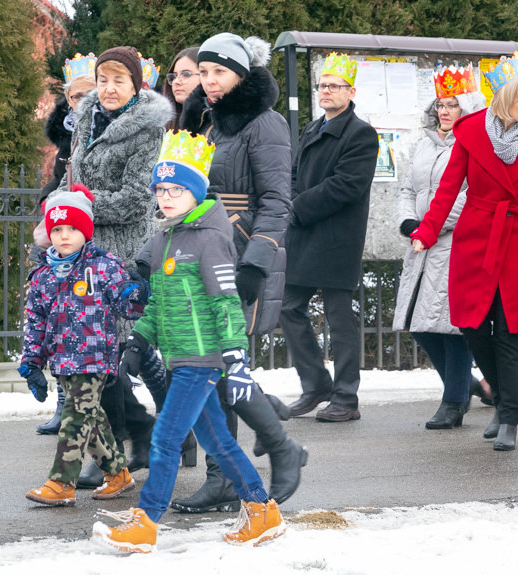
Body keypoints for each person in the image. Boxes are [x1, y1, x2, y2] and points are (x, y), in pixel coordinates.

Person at [93, 130, 285, 553]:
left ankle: (146, 521)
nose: (166, 197)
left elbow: (226, 301)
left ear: (195, 191)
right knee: (217, 440)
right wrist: (137, 344)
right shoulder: (165, 238)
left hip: (203, 358)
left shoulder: (210, 238)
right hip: (179, 355)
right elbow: (158, 305)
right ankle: (262, 509)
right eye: (160, 189)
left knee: (165, 438)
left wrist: (236, 359)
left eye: (176, 189)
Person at [411, 53, 518, 452]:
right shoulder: (470, 133)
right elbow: (449, 188)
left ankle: (510, 416)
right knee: (471, 327)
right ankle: (502, 399)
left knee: (508, 331)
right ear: (506, 98)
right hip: (475, 237)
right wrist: (428, 230)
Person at [173, 32, 306, 513]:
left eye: (219, 72)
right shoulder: (205, 123)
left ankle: (249, 463)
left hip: (239, 253)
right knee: (208, 368)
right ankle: (244, 458)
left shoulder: (263, 123)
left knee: (217, 366)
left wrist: (255, 262)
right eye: (202, 72)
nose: (208, 82)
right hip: (197, 252)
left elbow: (276, 201)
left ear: (241, 74)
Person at [41, 46, 174, 489]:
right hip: (82, 251)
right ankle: (131, 441)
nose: (109, 88)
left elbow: (140, 197)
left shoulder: (147, 130)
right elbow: (71, 177)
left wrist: (83, 207)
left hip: (119, 251)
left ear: (137, 86)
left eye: (119, 80)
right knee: (100, 355)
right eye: (103, 79)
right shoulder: (85, 119)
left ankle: (120, 447)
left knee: (110, 354)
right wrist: (59, 208)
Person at [21, 187, 148, 506]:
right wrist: (31, 363)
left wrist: (136, 293)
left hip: (94, 358)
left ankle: (61, 481)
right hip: (62, 360)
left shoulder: (104, 266)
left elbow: (127, 307)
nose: (65, 236)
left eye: (73, 229)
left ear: (86, 231)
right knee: (91, 417)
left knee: (75, 415)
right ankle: (118, 473)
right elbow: (35, 322)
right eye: (58, 229)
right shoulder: (43, 275)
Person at [280, 52, 377, 422]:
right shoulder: (311, 127)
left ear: (350, 92)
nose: (327, 91)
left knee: (339, 320)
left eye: (335, 86)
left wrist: (299, 207)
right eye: (323, 86)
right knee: (289, 308)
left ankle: (346, 397)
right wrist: (291, 202)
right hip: (304, 232)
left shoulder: (361, 133)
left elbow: (347, 185)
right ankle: (316, 384)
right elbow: (292, 173)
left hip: (337, 237)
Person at [393, 64, 487, 429]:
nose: (444, 111)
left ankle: (455, 400)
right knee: (419, 323)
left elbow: (468, 196)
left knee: (450, 326)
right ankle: (466, 385)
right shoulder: (424, 143)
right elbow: (407, 189)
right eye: (440, 105)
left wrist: (432, 226)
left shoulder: (475, 143)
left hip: (455, 243)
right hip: (420, 243)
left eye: (452, 104)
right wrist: (410, 223)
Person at [33, 52, 99, 435]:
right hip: (65, 240)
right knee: (61, 326)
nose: (80, 103)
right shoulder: (67, 137)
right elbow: (58, 182)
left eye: (87, 94)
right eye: (74, 97)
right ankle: (63, 404)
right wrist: (49, 205)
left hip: (95, 240)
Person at [163, 47, 200, 131]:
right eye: (174, 76)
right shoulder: (161, 126)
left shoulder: (219, 126)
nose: (176, 81)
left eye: (186, 74)